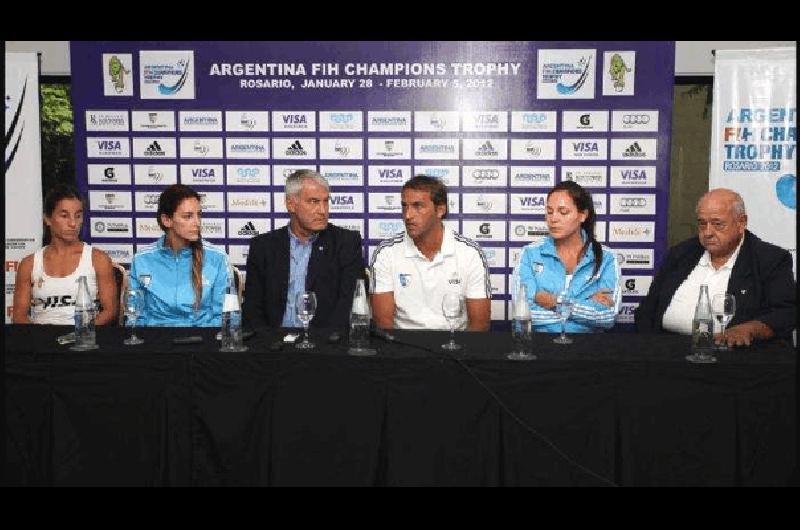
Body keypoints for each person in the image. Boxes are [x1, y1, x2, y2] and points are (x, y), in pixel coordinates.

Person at [635, 188, 795, 346]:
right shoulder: (681, 253)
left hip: (733, 357)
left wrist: (749, 329)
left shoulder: (770, 259)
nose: (708, 232)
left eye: (718, 224)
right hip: (666, 350)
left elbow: (785, 312)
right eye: (702, 224)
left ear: (741, 223)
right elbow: (648, 309)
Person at [242, 170, 364, 329]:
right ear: (291, 204)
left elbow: (347, 305)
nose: (322, 210)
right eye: (313, 201)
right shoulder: (263, 247)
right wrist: (269, 344)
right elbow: (253, 308)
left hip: (326, 344)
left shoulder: (346, 243)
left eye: (326, 201)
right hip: (273, 345)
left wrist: (321, 344)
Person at [370, 175, 491, 331]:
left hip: (454, 347)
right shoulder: (386, 253)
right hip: (403, 348)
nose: (408, 215)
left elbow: (480, 325)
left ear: (440, 210)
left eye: (418, 206)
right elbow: (383, 324)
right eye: (404, 206)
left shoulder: (470, 253)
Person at [510, 180, 621, 332]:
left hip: (588, 349)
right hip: (540, 347)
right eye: (549, 212)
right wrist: (584, 306)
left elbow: (608, 316)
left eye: (563, 212)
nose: (553, 219)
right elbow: (523, 313)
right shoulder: (530, 254)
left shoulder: (607, 258)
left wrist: (555, 302)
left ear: (583, 215)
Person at [13, 185, 117, 325]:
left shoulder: (98, 259)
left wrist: (81, 334)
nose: (73, 223)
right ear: (47, 219)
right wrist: (41, 341)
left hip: (84, 341)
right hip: (42, 343)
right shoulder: (29, 264)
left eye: (78, 215)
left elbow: (110, 311)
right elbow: (19, 317)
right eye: (64, 216)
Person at [128, 184, 230, 326]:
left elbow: (224, 316)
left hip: (203, 341)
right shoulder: (141, 260)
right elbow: (135, 316)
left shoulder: (217, 259)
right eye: (188, 216)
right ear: (166, 220)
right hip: (155, 341)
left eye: (199, 215)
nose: (197, 223)